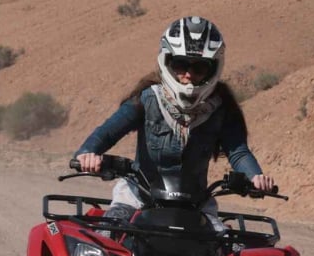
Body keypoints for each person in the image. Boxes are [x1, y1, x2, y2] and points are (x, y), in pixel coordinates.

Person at [73, 16, 275, 227]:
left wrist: (255, 177)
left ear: (214, 68)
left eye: (200, 67)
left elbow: (238, 151)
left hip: (195, 205)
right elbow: (107, 133)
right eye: (180, 64)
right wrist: (87, 154)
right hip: (138, 199)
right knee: (108, 236)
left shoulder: (220, 108)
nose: (188, 74)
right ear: (167, 61)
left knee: (227, 250)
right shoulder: (147, 99)